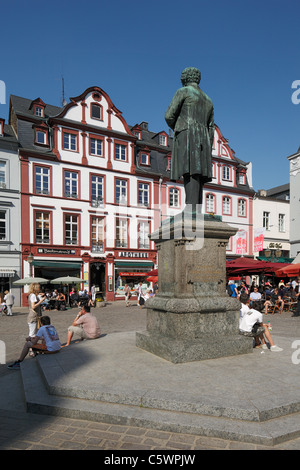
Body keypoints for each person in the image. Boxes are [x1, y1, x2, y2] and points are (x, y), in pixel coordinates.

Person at [165, 66, 214, 212]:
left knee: (190, 170)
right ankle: (196, 207)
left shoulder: (183, 91)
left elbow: (169, 115)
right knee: (198, 172)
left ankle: (191, 207)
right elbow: (211, 127)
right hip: (204, 138)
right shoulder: (208, 100)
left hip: (188, 133)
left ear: (185, 78)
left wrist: (178, 126)